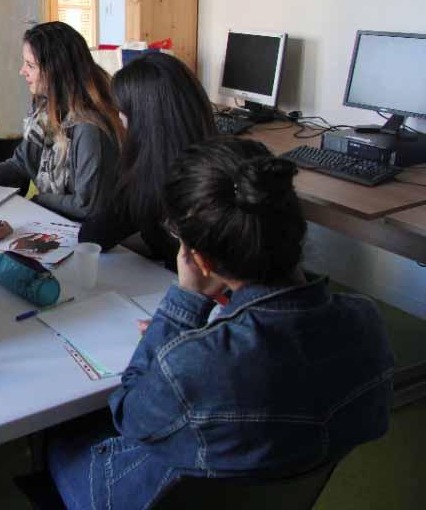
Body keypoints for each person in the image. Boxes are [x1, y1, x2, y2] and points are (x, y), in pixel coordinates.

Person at [46, 137, 394, 510]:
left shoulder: (188, 365)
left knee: (58, 439)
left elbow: (127, 415)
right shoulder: (366, 321)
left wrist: (185, 301)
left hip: (146, 490)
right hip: (283, 485)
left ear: (201, 261)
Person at [0, 21, 123, 221]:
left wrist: (41, 199)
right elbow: (21, 164)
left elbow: (87, 206)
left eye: (30, 65)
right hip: (58, 220)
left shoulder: (89, 129)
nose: (22, 71)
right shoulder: (46, 111)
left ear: (56, 71)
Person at [78, 52, 216, 268]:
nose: (120, 119)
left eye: (123, 111)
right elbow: (95, 235)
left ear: (146, 120)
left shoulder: (205, 189)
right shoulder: (153, 172)